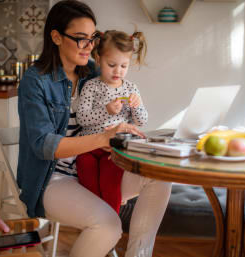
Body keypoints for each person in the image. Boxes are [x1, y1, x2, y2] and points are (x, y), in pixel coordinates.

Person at [17, 1, 172, 257]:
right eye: (81, 39)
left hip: (97, 168)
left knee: (159, 175)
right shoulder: (36, 81)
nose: (90, 46)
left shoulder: (93, 72)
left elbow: (121, 91)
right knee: (108, 225)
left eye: (93, 38)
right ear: (56, 37)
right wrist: (103, 138)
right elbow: (44, 146)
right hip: (52, 179)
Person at [76, 29, 148, 214]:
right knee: (89, 187)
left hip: (114, 150)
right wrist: (105, 110)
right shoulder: (91, 86)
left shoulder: (131, 89)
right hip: (89, 148)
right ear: (98, 59)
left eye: (124, 66)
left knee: (110, 187)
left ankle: (111, 226)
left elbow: (141, 121)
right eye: (112, 64)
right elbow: (82, 118)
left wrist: (137, 106)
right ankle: (94, 222)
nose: (118, 71)